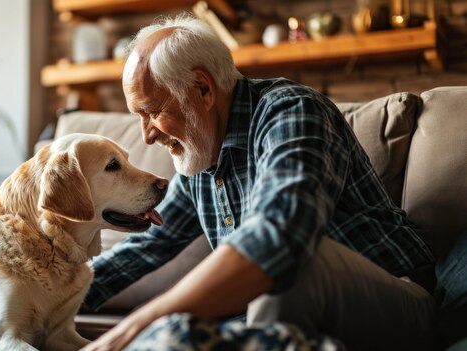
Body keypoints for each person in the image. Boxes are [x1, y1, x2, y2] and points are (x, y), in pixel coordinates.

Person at [81, 14, 436, 351]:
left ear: (202, 89)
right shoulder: (200, 155)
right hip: (280, 315)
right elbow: (150, 246)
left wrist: (144, 320)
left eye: (152, 111)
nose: (147, 135)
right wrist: (48, 293)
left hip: (397, 303)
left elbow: (279, 235)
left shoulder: (292, 111)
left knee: (295, 264)